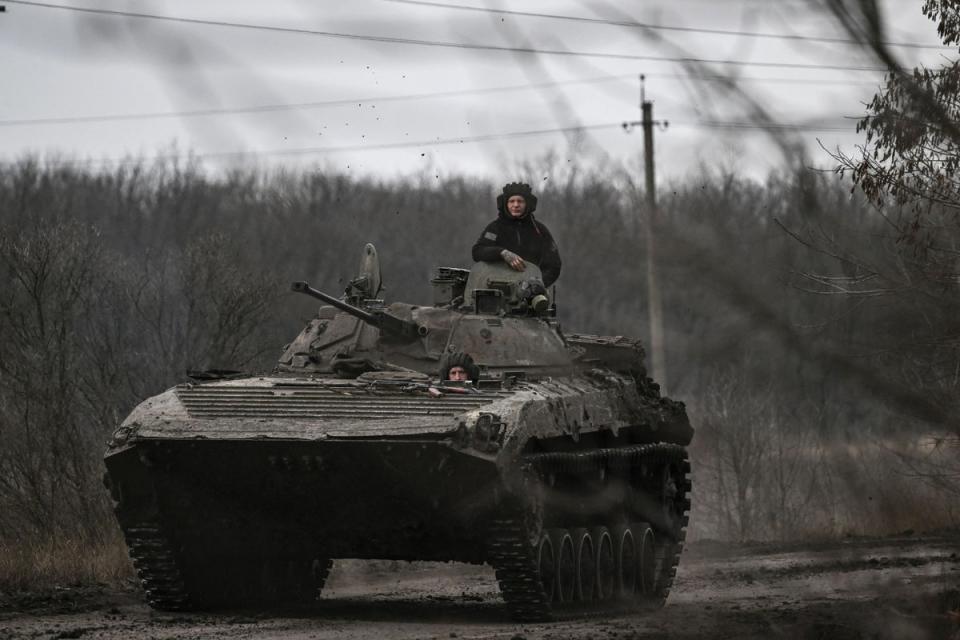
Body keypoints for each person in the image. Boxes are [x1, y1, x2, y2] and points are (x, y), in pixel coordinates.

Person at [471, 182, 562, 288]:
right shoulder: (495, 228)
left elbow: (553, 265)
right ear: (505, 204)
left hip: (530, 291)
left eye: (520, 201)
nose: (516, 205)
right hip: (496, 287)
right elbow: (478, 251)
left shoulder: (539, 230)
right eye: (511, 201)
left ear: (527, 204)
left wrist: (540, 284)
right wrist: (502, 253)